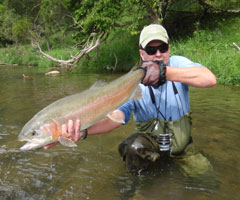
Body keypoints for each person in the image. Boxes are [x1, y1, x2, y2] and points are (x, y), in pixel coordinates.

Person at [45, 24, 216, 175]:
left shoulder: (178, 64)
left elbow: (209, 79)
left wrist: (165, 72)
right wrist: (83, 132)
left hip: (184, 148)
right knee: (134, 149)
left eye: (162, 48)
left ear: (169, 49)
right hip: (149, 147)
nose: (158, 54)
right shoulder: (132, 83)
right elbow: (116, 118)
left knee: (209, 182)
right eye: (151, 50)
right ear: (142, 53)